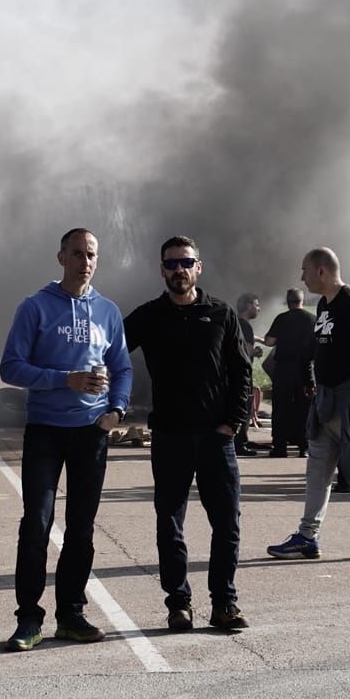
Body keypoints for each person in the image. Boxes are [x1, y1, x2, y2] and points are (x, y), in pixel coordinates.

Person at [0, 228, 133, 651]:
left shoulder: (108, 311)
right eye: (77, 253)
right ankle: (28, 619)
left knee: (81, 528)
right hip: (45, 432)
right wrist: (65, 380)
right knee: (36, 524)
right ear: (61, 257)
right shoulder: (35, 307)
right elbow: (10, 368)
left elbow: (122, 367)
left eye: (91, 254)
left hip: (91, 433)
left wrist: (117, 409)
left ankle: (71, 614)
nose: (85, 261)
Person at [125, 236, 251, 631]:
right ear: (162, 270)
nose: (179, 269)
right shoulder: (148, 316)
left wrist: (232, 422)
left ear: (199, 267)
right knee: (170, 523)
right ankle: (178, 604)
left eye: (186, 262)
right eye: (171, 263)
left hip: (216, 439)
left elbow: (242, 370)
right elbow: (110, 354)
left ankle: (224, 603)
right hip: (170, 437)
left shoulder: (221, 313)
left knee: (227, 524)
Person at [268, 247, 350, 561]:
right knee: (317, 470)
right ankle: (306, 537)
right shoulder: (326, 305)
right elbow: (331, 348)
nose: (301, 277)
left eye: (304, 270)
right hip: (327, 400)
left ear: (321, 271)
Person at [262, 287, 315, 457]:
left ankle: (280, 447)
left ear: (288, 301)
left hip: (283, 369)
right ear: (302, 301)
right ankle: (304, 447)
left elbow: (269, 341)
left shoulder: (282, 319)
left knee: (281, 408)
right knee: (304, 408)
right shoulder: (312, 319)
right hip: (305, 370)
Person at [233, 292, 263, 456]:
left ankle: (234, 440)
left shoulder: (234, 320)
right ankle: (240, 444)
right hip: (243, 374)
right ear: (249, 305)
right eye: (256, 305)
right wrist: (257, 351)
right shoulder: (246, 325)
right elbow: (248, 348)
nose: (258, 308)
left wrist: (260, 340)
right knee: (244, 410)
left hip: (231, 373)